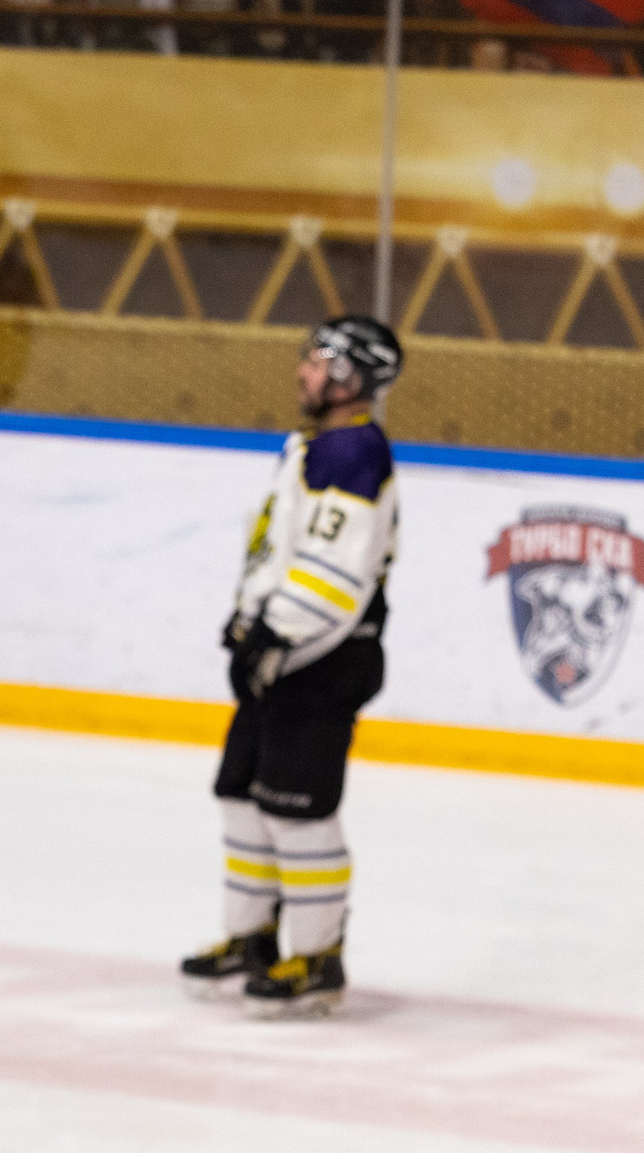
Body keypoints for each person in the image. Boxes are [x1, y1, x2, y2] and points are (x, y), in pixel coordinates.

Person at [180, 315, 401, 1018]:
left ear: (348, 375)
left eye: (316, 361)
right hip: (284, 655)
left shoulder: (354, 452)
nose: (303, 371)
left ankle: (316, 957)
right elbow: (280, 551)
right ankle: (251, 938)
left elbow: (337, 568)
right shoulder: (314, 446)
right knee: (241, 793)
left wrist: (275, 632)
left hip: (323, 660)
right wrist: (249, 621)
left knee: (298, 811)